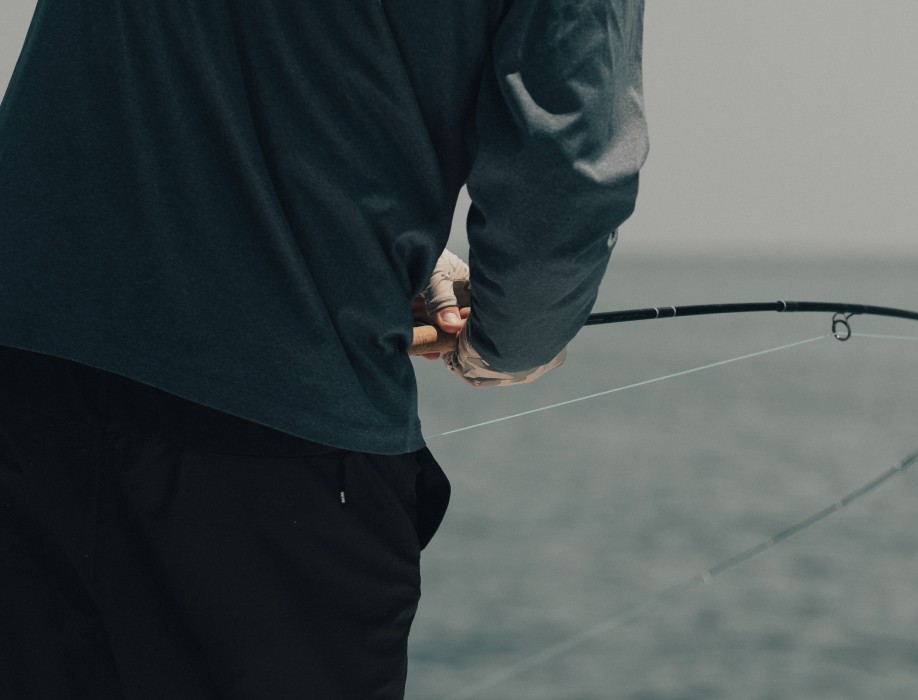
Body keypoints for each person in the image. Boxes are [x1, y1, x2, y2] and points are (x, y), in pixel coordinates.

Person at [0, 1, 648, 698]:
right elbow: (566, 177)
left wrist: (392, 257)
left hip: (22, 378)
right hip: (272, 452)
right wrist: (508, 341)